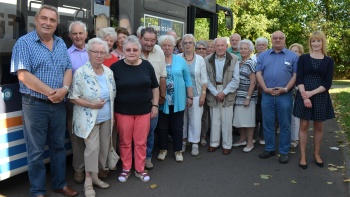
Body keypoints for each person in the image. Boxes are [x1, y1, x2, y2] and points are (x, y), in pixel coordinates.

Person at [10, 5, 78, 197]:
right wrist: (52, 93)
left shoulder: (60, 43)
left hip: (58, 104)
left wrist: (64, 90)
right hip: (35, 105)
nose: (48, 23)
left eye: (52, 20)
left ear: (57, 24)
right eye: (44, 18)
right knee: (36, 151)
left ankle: (59, 184)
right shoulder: (24, 43)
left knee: (58, 147)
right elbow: (23, 75)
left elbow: (67, 69)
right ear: (36, 20)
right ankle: (38, 191)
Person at [69, 38, 116, 196]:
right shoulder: (81, 72)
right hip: (88, 118)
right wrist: (91, 104)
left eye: (102, 52)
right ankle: (88, 181)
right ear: (88, 53)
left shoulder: (109, 72)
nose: (99, 55)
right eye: (95, 51)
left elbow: (113, 95)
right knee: (92, 149)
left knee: (103, 149)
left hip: (106, 118)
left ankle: (95, 177)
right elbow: (73, 97)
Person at [110, 35, 159, 182]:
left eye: (135, 49)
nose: (131, 52)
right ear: (123, 50)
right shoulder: (115, 68)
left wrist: (155, 105)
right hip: (122, 111)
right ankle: (126, 168)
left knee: (141, 142)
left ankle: (139, 169)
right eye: (128, 49)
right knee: (125, 142)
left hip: (144, 111)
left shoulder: (147, 66)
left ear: (139, 51)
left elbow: (155, 87)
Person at [293, 31, 335, 169]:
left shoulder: (329, 61)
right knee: (304, 125)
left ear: (323, 42)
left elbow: (327, 83)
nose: (316, 44)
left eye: (318, 41)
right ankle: (303, 155)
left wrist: (311, 93)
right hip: (304, 93)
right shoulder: (303, 58)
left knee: (318, 126)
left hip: (320, 95)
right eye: (313, 41)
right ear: (310, 43)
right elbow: (299, 78)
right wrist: (305, 95)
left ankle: (317, 154)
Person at [256, 31, 299, 164]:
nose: (278, 40)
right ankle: (269, 148)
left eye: (280, 38)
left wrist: (285, 89)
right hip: (267, 95)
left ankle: (284, 151)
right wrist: (265, 89)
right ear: (272, 40)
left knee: (284, 124)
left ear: (285, 40)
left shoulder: (293, 56)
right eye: (275, 38)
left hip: (285, 95)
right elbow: (258, 73)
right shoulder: (263, 55)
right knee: (268, 123)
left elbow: (295, 75)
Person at [157, 35, 193, 162]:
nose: (167, 48)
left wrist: (190, 96)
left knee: (178, 126)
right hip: (162, 99)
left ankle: (178, 150)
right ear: (161, 47)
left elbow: (188, 79)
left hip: (177, 99)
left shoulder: (180, 60)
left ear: (174, 47)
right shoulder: (157, 60)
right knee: (162, 127)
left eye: (170, 45)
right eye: (164, 45)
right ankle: (163, 149)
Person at [205, 37, 239, 155]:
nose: (220, 48)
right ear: (214, 47)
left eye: (222, 45)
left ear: (226, 46)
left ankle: (227, 145)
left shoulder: (234, 59)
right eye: (217, 46)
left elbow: (236, 80)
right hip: (213, 90)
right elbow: (206, 79)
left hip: (227, 91)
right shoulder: (207, 59)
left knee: (227, 120)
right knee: (214, 120)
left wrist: (224, 92)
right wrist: (215, 92)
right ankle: (214, 143)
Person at [140, 27, 167, 170]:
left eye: (152, 40)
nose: (149, 43)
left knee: (150, 130)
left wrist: (162, 95)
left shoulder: (159, 52)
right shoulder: (134, 51)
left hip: (153, 100)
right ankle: (136, 159)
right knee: (136, 132)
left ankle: (147, 157)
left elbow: (162, 75)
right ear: (140, 38)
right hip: (136, 100)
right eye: (146, 40)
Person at [66, 20, 89, 184]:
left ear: (86, 34)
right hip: (74, 102)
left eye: (81, 33)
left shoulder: (95, 51)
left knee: (93, 136)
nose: (78, 36)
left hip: (94, 100)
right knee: (76, 137)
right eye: (74, 33)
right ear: (70, 35)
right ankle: (79, 169)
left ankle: (94, 168)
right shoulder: (66, 54)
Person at [179, 35, 207, 156]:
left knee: (195, 119)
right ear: (182, 45)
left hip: (196, 94)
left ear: (194, 45)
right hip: (180, 95)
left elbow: (204, 79)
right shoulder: (177, 57)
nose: (188, 45)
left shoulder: (200, 59)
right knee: (182, 119)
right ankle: (183, 141)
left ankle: (195, 143)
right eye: (185, 43)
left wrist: (203, 95)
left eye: (190, 42)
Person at [232, 39, 258, 153]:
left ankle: (250, 142)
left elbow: (253, 82)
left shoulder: (251, 63)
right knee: (240, 120)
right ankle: (242, 139)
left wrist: (248, 97)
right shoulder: (239, 62)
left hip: (248, 97)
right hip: (238, 95)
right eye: (241, 48)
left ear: (250, 50)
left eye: (245, 49)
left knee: (248, 121)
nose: (242, 50)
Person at [252, 37, 268, 145]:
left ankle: (263, 136)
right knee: (253, 113)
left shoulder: (269, 57)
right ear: (256, 46)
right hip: (253, 89)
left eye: (263, 45)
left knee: (264, 113)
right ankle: (253, 136)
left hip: (266, 89)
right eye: (259, 45)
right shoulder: (252, 58)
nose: (261, 46)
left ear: (266, 46)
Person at [289, 43, 304, 148]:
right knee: (289, 115)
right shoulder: (288, 63)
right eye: (292, 51)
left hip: (300, 91)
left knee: (296, 117)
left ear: (300, 53)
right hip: (289, 91)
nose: (294, 53)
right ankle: (290, 136)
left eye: (296, 51)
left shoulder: (303, 64)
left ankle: (295, 138)